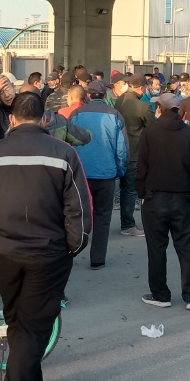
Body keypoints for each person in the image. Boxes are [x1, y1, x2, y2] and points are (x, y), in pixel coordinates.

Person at [0, 92, 92, 381]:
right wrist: (74, 247)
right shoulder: (65, 153)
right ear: (44, 119)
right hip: (48, 254)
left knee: (20, 320)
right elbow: (79, 208)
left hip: (3, 253)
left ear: (12, 119)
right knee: (32, 326)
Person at [137, 93, 190, 310]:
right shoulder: (189, 134)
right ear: (179, 110)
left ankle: (160, 294)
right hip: (183, 198)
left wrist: (142, 193)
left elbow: (142, 167)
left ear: (159, 108)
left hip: (155, 198)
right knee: (187, 248)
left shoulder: (149, 132)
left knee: (156, 248)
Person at [68, 80, 128, 268]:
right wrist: (119, 170)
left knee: (75, 214)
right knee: (103, 216)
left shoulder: (76, 114)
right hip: (106, 173)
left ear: (88, 95)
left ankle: (71, 252)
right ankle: (97, 259)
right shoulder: (115, 114)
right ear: (104, 95)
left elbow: (67, 143)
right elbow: (121, 149)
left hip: (80, 174)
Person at [116, 74, 152, 237]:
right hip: (134, 151)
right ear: (142, 87)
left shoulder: (119, 101)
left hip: (119, 149)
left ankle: (126, 221)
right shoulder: (143, 106)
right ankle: (128, 224)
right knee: (130, 189)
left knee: (122, 187)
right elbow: (152, 128)